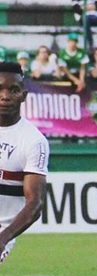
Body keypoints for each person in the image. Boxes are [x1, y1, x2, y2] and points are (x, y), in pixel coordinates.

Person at [0, 62, 49, 264]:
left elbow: (35, 204)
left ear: (23, 96)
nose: (5, 96)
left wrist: (4, 237)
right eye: (0, 89)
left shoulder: (34, 141)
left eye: (13, 90)